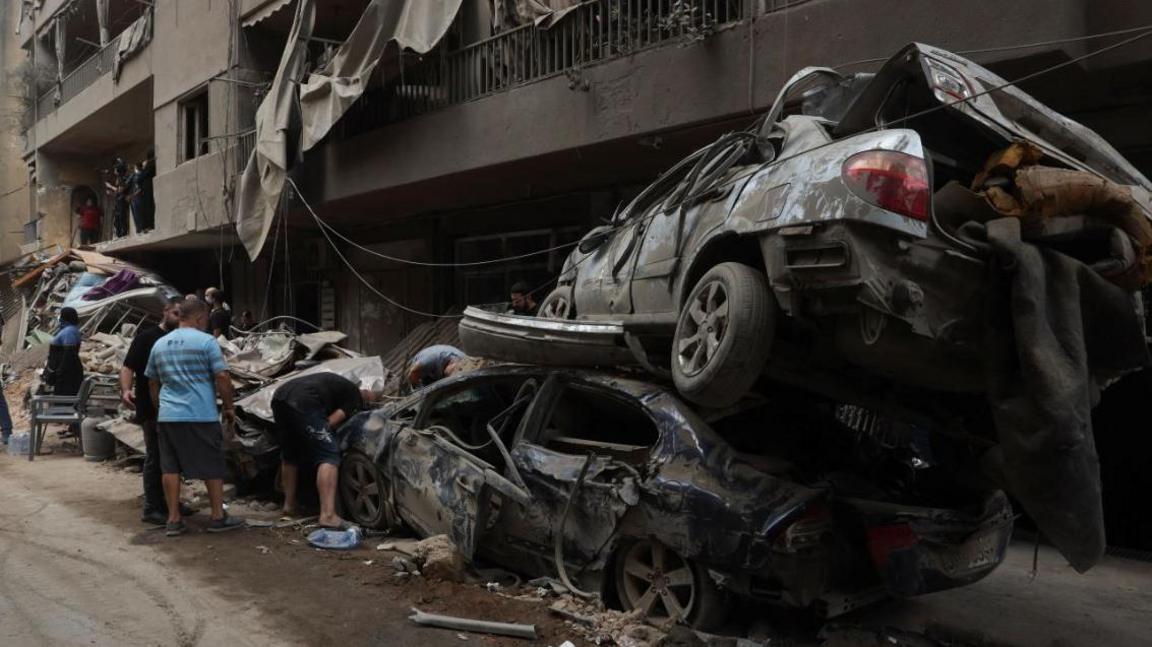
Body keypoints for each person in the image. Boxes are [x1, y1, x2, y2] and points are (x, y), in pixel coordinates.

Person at [146, 298, 244, 536]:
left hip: (169, 416)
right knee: (212, 466)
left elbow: (152, 380)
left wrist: (160, 408)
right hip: (201, 414)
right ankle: (217, 517)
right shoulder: (207, 342)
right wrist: (229, 407)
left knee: (170, 468)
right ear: (200, 317)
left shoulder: (160, 344)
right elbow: (221, 377)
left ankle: (173, 520)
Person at [120, 297, 196, 524]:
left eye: (182, 315)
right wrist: (126, 390)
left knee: (173, 459)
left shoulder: (183, 339)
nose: (179, 318)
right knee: (156, 457)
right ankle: (152, 506)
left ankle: (170, 502)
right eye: (175, 313)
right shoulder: (147, 338)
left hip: (178, 408)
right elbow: (128, 366)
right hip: (152, 408)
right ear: (165, 312)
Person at [271, 373, 377, 528]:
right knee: (329, 454)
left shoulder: (341, 385)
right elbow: (331, 422)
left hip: (280, 397)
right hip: (303, 400)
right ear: (367, 398)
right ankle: (328, 515)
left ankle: (289, 506)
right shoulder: (355, 398)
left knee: (291, 453)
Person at [44, 307, 84, 397]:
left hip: (67, 375)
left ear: (64, 317)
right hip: (68, 373)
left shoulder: (69, 332)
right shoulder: (71, 329)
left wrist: (59, 373)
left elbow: (68, 355)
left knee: (63, 399)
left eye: (61, 316)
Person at [128, 151, 156, 234]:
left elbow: (140, 178)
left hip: (146, 192)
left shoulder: (150, 168)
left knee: (146, 211)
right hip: (145, 193)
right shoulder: (148, 168)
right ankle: (145, 227)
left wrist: (143, 168)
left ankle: (147, 226)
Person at [105, 158, 129, 238]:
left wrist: (110, 186)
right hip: (118, 201)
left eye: (115, 168)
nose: (114, 170)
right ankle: (119, 235)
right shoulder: (118, 178)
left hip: (122, 201)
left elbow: (120, 190)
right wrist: (111, 193)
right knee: (117, 220)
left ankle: (123, 235)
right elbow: (117, 192)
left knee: (122, 218)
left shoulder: (122, 178)